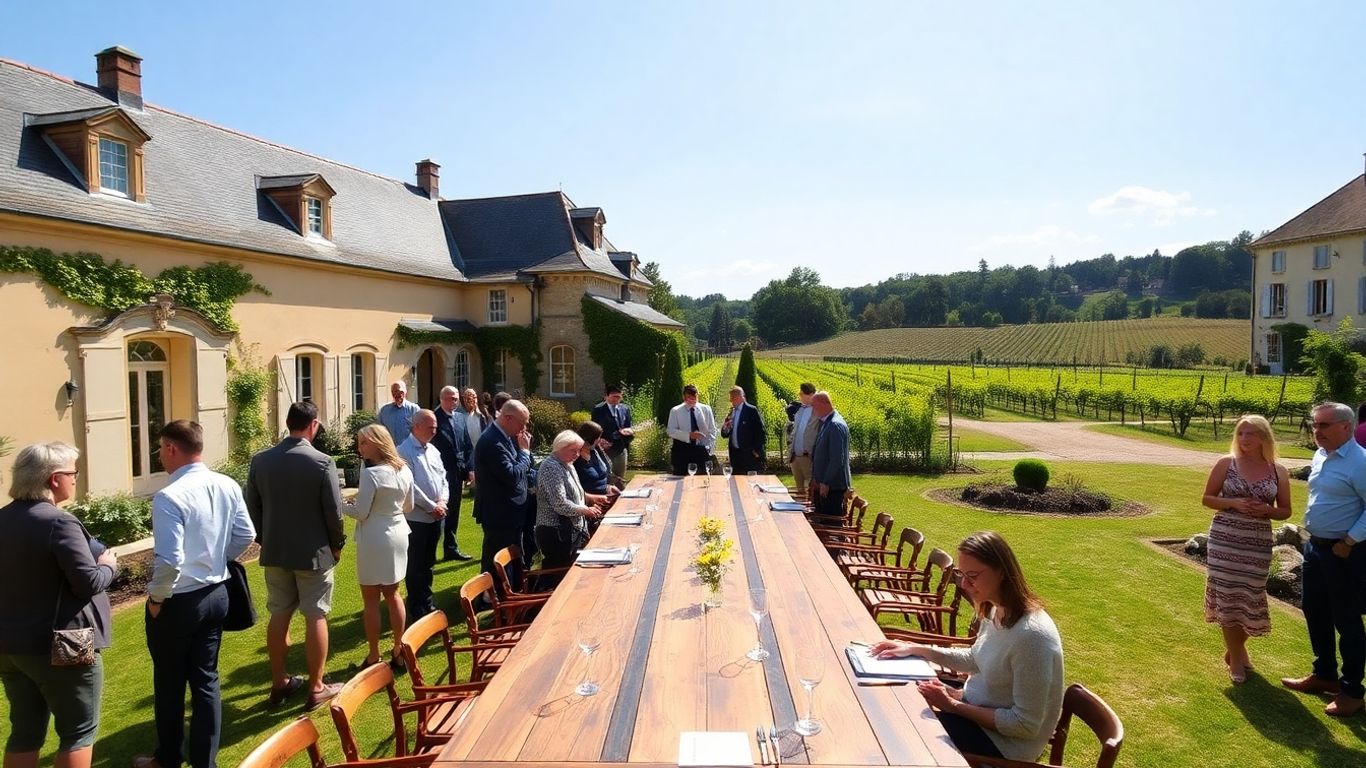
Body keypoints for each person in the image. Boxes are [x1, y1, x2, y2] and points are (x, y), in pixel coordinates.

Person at [869, 532, 1063, 762]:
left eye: (972, 576)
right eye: (961, 574)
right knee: (898, 697)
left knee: (902, 730)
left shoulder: (1031, 637)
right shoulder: (995, 609)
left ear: (1001, 572)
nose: (964, 584)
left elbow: (1024, 726)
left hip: (1005, 747)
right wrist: (914, 648)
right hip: (975, 710)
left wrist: (953, 705)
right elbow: (975, 658)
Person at [137, 421, 255, 768]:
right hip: (216, 594)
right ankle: (205, 763)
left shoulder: (169, 495)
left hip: (179, 601)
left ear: (173, 448)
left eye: (161, 448)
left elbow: (170, 560)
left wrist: (157, 599)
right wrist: (217, 558)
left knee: (170, 682)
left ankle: (169, 757)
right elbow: (246, 534)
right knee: (205, 680)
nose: (159, 454)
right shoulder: (225, 483)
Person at [0, 442, 116, 768]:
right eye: (72, 473)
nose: (75, 479)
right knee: (79, 731)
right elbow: (88, 582)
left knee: (25, 731)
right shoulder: (57, 522)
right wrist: (108, 565)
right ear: (54, 479)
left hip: (10, 647)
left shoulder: (4, 520)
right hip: (61, 647)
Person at [246, 401, 347, 711]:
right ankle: (316, 687)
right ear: (313, 425)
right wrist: (337, 544)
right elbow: (334, 511)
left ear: (288, 424)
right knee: (316, 614)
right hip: (313, 554)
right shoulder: (321, 462)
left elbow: (252, 507)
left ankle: (279, 683)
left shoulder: (260, 461)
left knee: (279, 613)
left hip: (276, 551)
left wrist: (266, 538)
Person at [1281, 401, 1366, 717]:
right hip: (1315, 547)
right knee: (1314, 609)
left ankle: (1352, 691)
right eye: (1314, 424)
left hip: (1344, 552)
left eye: (1324, 425)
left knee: (1346, 620)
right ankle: (1325, 674)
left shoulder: (1360, 462)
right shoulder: (1321, 455)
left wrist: (1349, 540)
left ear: (1346, 426)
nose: (1317, 431)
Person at [1200, 414, 1291, 684]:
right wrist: (1233, 504)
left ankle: (1235, 651)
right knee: (1228, 596)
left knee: (1251, 597)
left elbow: (1285, 511)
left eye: (1250, 434)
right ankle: (1238, 661)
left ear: (1264, 437)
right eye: (1240, 433)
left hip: (1257, 543)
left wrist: (1267, 510)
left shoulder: (1278, 470)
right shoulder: (1226, 464)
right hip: (1225, 539)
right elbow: (1207, 499)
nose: (1244, 439)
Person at [344, 424, 414, 673]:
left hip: (375, 537)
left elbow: (361, 512)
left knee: (371, 599)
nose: (359, 447)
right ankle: (398, 649)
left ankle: (374, 654)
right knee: (393, 593)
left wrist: (341, 504)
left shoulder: (371, 474)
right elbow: (409, 505)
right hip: (398, 532)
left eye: (363, 442)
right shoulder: (403, 468)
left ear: (377, 443)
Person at [474, 399, 534, 595]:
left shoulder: (507, 436)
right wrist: (525, 452)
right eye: (522, 423)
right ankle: (492, 598)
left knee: (513, 557)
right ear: (508, 418)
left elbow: (524, 469)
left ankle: (510, 592)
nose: (524, 428)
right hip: (499, 512)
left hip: (512, 511)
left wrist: (525, 455)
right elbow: (512, 475)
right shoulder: (492, 441)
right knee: (496, 558)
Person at [535, 431, 608, 580]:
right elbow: (560, 504)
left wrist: (593, 498)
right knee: (560, 577)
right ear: (559, 448)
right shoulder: (551, 468)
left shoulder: (567, 464)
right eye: (573, 450)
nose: (577, 455)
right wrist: (585, 510)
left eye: (578, 450)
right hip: (556, 532)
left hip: (570, 530)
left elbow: (575, 493)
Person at [398, 410, 448, 620]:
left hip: (436, 516)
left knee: (428, 563)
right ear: (416, 426)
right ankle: (416, 606)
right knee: (416, 564)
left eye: (435, 426)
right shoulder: (404, 451)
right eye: (430, 426)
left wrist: (443, 501)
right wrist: (430, 506)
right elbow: (410, 487)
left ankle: (427, 601)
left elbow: (444, 478)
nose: (434, 430)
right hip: (417, 519)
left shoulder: (433, 450)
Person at [434, 386, 475, 562]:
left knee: (454, 511)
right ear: (442, 399)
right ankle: (430, 550)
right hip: (440, 473)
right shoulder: (434, 418)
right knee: (440, 511)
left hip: (458, 472)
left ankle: (451, 547)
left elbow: (467, 445)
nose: (455, 402)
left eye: (456, 399)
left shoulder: (459, 418)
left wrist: (470, 469)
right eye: (451, 398)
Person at [808, 391, 851, 519]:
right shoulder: (827, 422)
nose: (812, 409)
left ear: (823, 404)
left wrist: (826, 482)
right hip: (823, 486)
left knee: (830, 524)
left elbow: (837, 458)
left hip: (832, 488)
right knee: (821, 520)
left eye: (814, 405)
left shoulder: (834, 425)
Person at [666, 384, 716, 476]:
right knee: (680, 482)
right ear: (684, 397)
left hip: (701, 451)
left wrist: (709, 448)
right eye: (689, 397)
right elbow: (670, 431)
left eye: (694, 397)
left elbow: (712, 430)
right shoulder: (676, 411)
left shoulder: (706, 409)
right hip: (682, 452)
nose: (692, 399)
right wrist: (689, 435)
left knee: (702, 480)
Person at [591, 384, 634, 477]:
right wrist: (600, 440)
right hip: (605, 449)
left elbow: (629, 425)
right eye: (614, 396)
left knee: (620, 476)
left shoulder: (625, 409)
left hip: (621, 447)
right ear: (606, 396)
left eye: (619, 397)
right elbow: (594, 428)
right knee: (606, 475)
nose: (617, 399)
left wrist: (629, 431)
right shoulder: (598, 409)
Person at [721, 385, 766, 474]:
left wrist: (756, 451)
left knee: (749, 483)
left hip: (748, 455)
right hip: (734, 455)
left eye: (732, 398)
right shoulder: (731, 411)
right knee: (735, 482)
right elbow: (724, 434)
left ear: (739, 397)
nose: (730, 401)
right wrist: (726, 427)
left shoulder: (751, 410)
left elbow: (760, 432)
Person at [787, 383, 817, 491]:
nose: (799, 396)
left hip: (808, 458)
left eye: (801, 393)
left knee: (811, 491)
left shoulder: (817, 411)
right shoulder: (799, 409)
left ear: (810, 395)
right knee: (799, 491)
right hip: (795, 457)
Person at [378, 382, 421, 446]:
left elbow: (420, 431)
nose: (396, 394)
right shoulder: (384, 410)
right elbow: (379, 431)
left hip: (408, 450)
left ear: (405, 392)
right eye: (394, 392)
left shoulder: (414, 409)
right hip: (390, 450)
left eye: (399, 391)